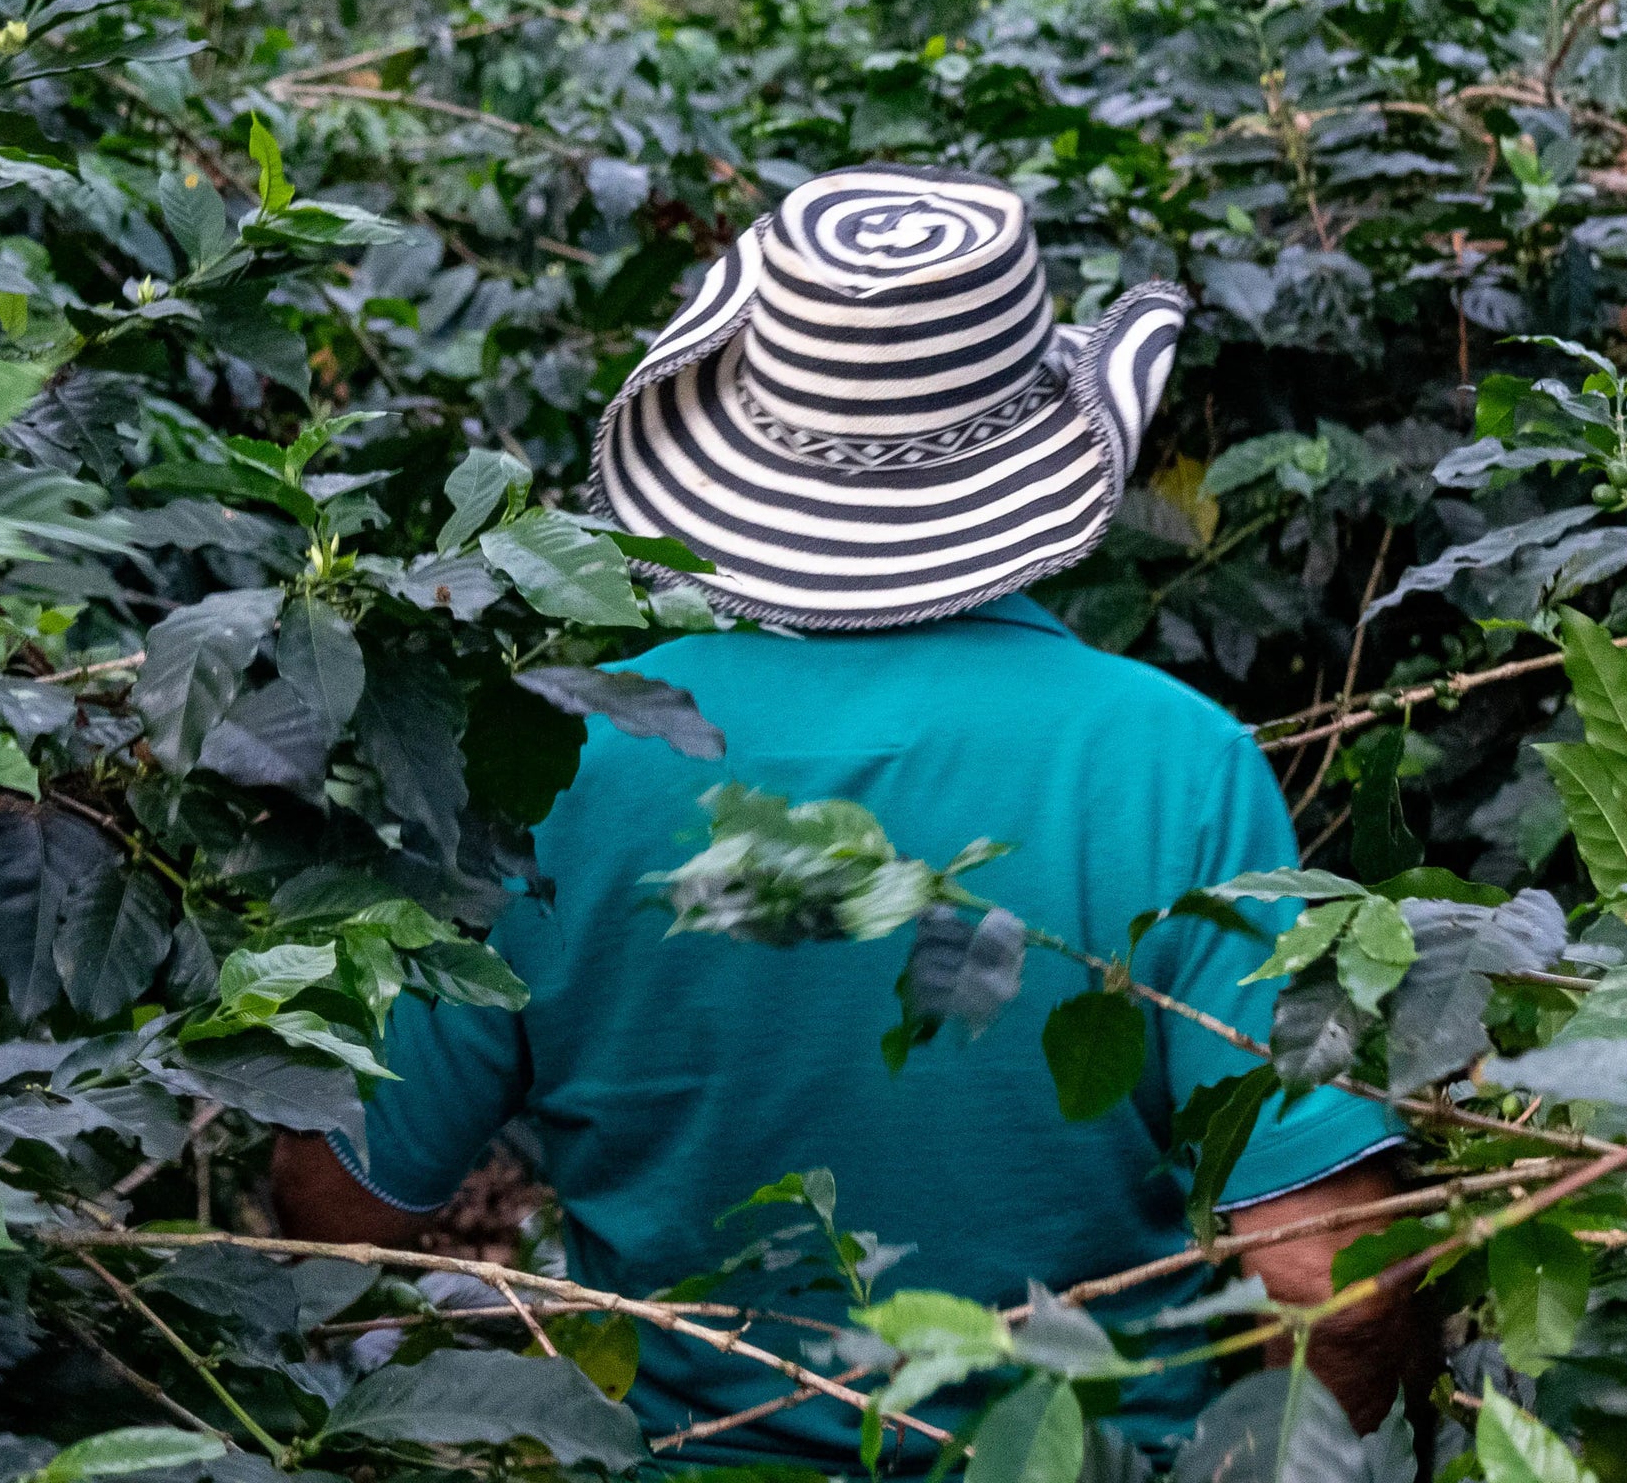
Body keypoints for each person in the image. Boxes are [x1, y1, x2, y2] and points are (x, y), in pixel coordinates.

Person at [274, 167, 1410, 1468]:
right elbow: (1331, 1272)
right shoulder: (1179, 765)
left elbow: (328, 1208)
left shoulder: (557, 757)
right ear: (1046, 444)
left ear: (748, 451)